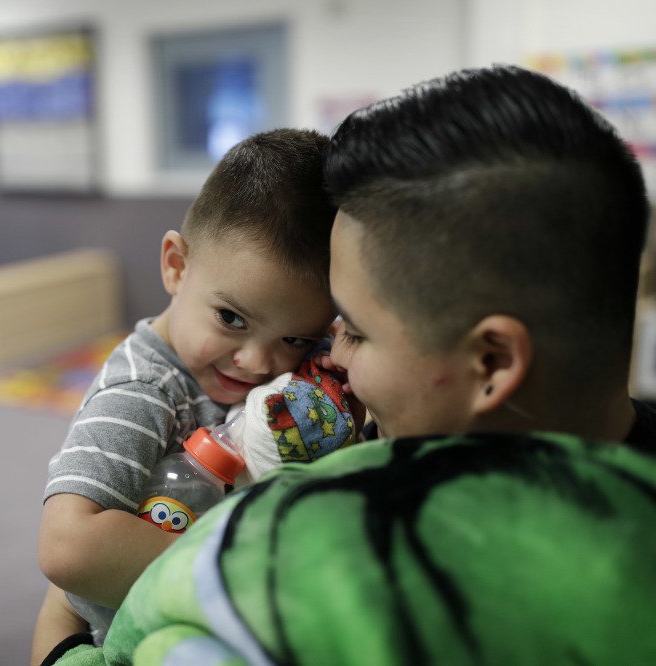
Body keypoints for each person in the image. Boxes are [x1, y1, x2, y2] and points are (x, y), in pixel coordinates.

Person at [43, 65, 656, 665]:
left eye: (353, 333)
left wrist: (61, 643)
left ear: (490, 363)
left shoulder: (346, 569)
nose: (330, 358)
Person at [32, 128, 340, 662]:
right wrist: (242, 573)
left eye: (295, 338)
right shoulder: (144, 391)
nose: (259, 362)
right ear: (176, 265)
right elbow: (67, 548)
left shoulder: (285, 368)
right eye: (231, 318)